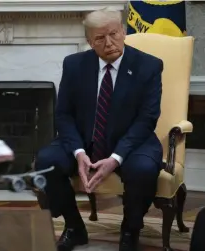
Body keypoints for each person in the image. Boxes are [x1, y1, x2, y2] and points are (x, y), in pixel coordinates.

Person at [35, 8, 163, 251]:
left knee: (144, 169)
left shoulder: (148, 66)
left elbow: (147, 119)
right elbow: (63, 114)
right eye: (100, 39)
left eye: (114, 34)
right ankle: (74, 227)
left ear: (124, 31)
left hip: (132, 141)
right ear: (89, 41)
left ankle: (130, 230)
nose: (109, 43)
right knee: (46, 161)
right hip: (86, 139)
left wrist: (115, 159)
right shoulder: (74, 65)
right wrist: (78, 153)